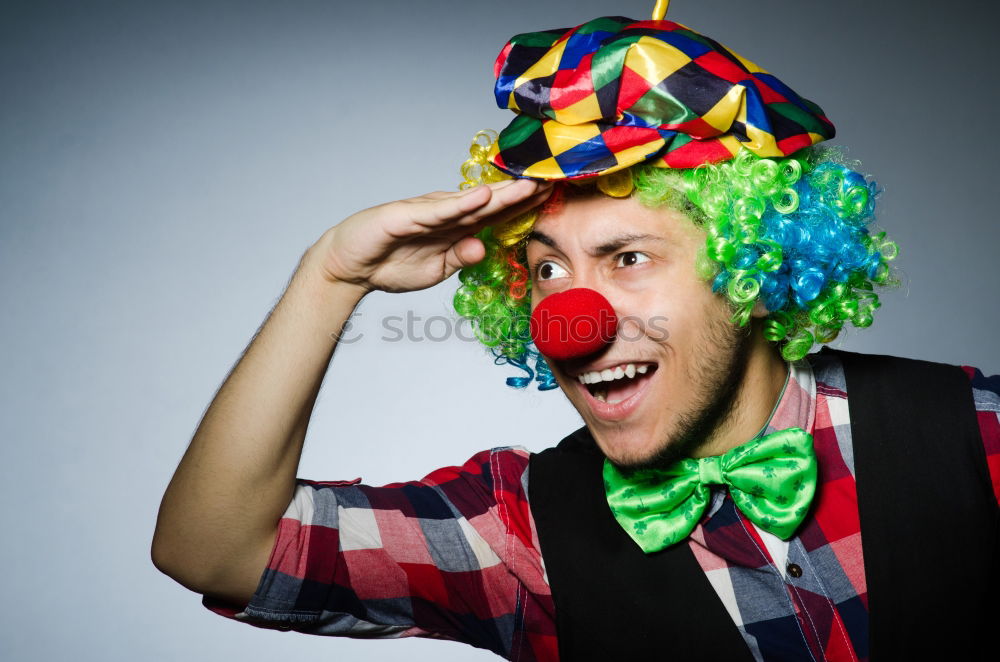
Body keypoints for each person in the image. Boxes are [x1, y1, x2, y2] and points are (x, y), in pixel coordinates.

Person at [151, 2, 1000, 660]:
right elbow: (215, 548)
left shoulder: (977, 431)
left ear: (759, 267)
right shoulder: (519, 534)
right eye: (548, 268)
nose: (569, 319)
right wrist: (329, 278)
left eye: (627, 256)